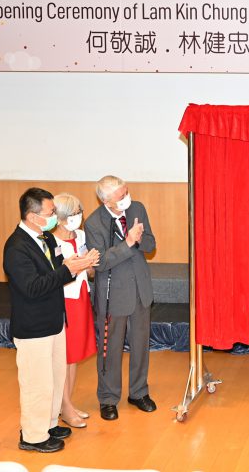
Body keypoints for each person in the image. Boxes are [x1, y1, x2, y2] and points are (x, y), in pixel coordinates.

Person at [4, 188, 100, 453]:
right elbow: (32, 287)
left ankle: (47, 423)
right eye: (50, 213)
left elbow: (56, 267)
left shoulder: (44, 237)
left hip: (55, 320)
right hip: (34, 326)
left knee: (55, 378)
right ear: (33, 216)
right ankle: (33, 436)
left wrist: (74, 263)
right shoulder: (16, 247)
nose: (54, 217)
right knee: (37, 383)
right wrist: (68, 269)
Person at [84, 175, 157, 421]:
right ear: (106, 200)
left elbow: (150, 244)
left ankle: (138, 391)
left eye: (126, 192)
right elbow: (101, 262)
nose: (127, 198)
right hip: (111, 294)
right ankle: (108, 398)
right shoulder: (94, 223)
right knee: (110, 349)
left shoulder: (137, 209)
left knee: (140, 345)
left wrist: (139, 239)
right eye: (120, 196)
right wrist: (128, 242)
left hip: (140, 289)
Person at [52, 193, 97, 428]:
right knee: (64, 355)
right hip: (65, 300)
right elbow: (55, 276)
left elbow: (89, 273)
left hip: (81, 296)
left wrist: (89, 264)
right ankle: (64, 406)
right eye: (72, 214)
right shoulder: (51, 242)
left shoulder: (80, 235)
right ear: (59, 218)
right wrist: (77, 265)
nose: (78, 217)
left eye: (80, 212)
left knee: (75, 355)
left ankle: (66, 403)